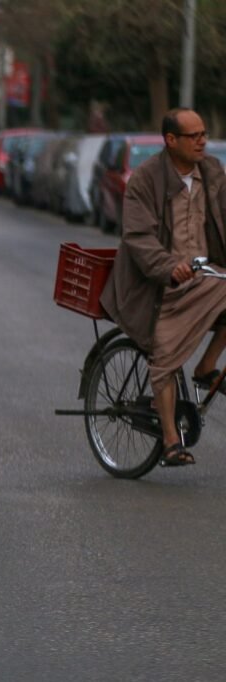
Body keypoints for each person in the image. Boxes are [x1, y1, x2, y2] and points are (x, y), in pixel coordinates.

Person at [100, 107, 226, 466]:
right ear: (171, 140)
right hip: (158, 286)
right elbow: (138, 238)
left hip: (206, 276)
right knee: (165, 356)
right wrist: (170, 268)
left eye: (204, 134)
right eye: (194, 135)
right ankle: (171, 441)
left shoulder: (213, 172)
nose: (203, 141)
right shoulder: (145, 180)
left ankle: (206, 368)